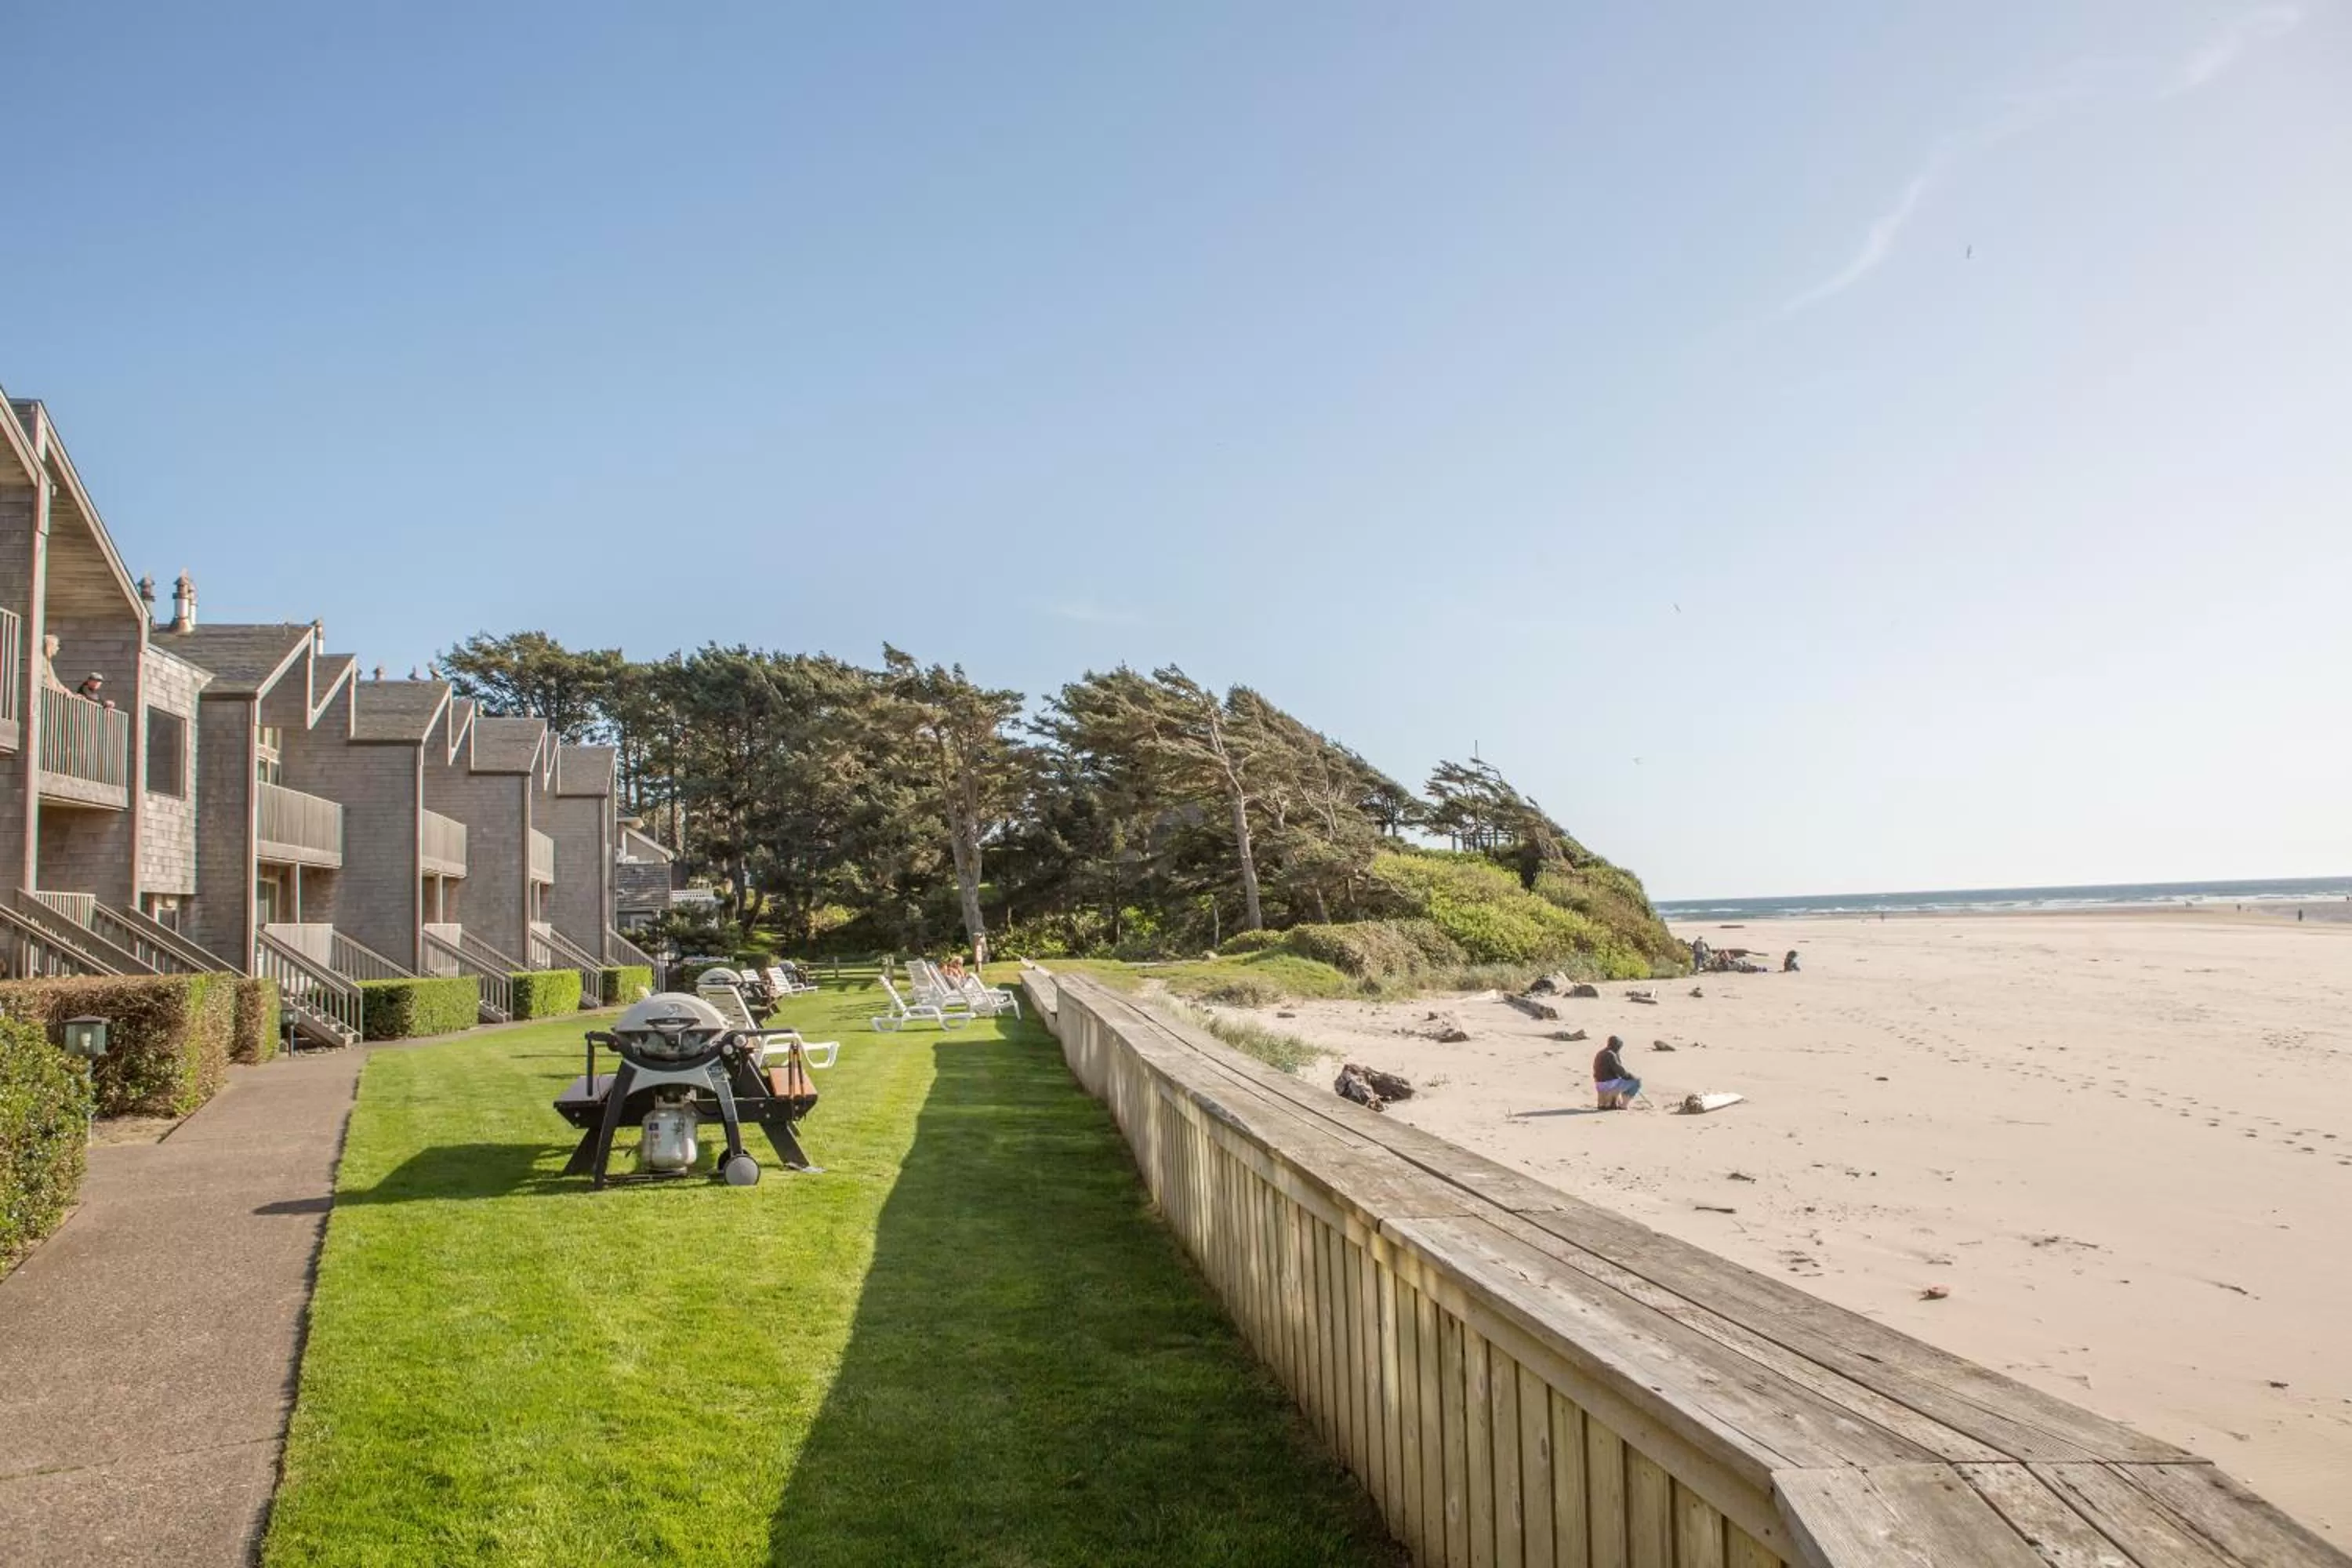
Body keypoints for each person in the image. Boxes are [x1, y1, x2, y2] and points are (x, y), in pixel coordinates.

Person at [1593, 1036, 1640, 1110]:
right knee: (1637, 1082)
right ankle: (1623, 1105)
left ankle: (1613, 1101)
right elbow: (1622, 1073)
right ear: (1616, 1046)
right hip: (1609, 1084)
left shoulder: (1601, 1053)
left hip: (1599, 1084)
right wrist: (1632, 1077)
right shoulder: (1611, 1054)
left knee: (1622, 1081)